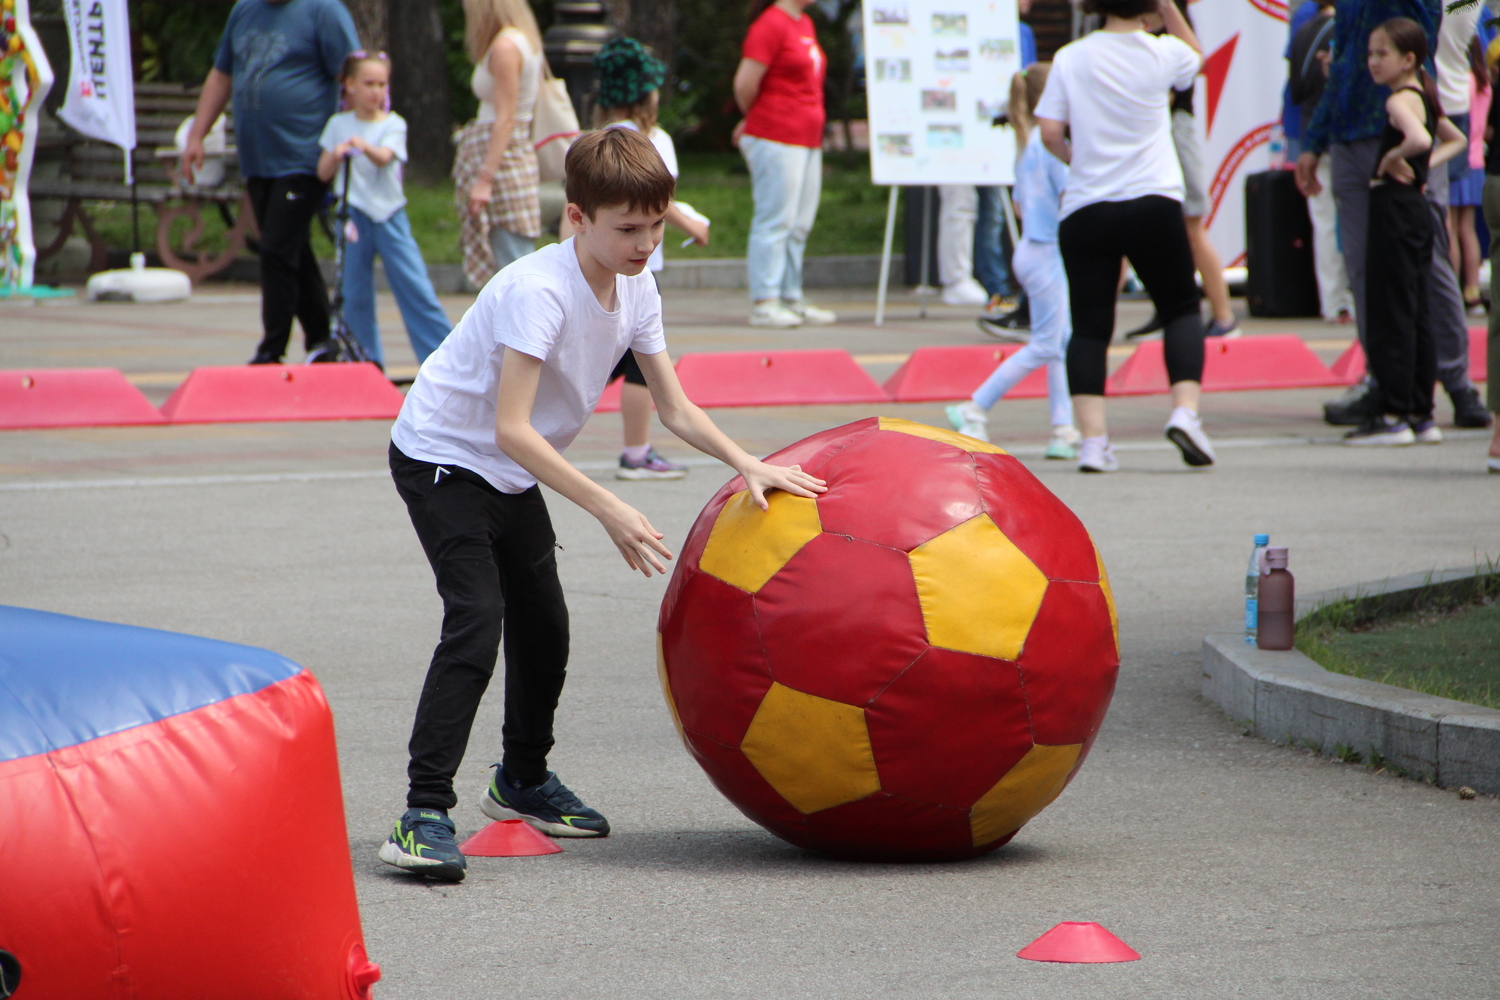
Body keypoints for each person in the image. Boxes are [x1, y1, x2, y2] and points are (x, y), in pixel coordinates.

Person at [377, 128, 825, 881]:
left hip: (509, 469)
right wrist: (607, 507)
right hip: (444, 459)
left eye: (656, 224)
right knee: (478, 620)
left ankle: (519, 780)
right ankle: (422, 813)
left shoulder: (639, 284)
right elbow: (510, 428)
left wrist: (750, 463)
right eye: (628, 228)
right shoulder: (538, 292)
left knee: (546, 626)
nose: (646, 242)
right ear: (579, 218)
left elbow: (674, 408)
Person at [1035, 0, 1214, 473]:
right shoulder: (1160, 52)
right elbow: (1197, 57)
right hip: (1153, 199)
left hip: (1088, 204)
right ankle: (1185, 413)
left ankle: (1094, 442)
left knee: (1091, 324)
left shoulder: (1072, 56)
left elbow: (1050, 129)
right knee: (1178, 307)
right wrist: (1167, 7)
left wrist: (1076, 159)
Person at [1296, 0, 1491, 431]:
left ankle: (1454, 380)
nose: (1374, 60)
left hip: (1400, 125)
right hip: (1349, 132)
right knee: (1366, 270)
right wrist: (1313, 140)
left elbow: (1423, 29)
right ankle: (1386, 383)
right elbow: (1345, 57)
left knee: (1430, 264)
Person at [181, 0, 360, 365]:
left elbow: (354, 76)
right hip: (258, 158)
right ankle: (323, 341)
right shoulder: (244, 10)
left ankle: (272, 348)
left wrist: (357, 135)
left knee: (277, 247)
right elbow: (221, 75)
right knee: (292, 247)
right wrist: (196, 135)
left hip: (305, 156)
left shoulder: (323, 11)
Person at [588, 36, 711, 479]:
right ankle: (636, 453)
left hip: (595, 271)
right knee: (642, 366)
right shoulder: (650, 139)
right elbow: (656, 201)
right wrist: (692, 225)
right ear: (647, 93)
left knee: (603, 361)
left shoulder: (595, 140)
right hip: (636, 276)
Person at [947, 64, 1080, 460]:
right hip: (1046, 252)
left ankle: (1063, 429)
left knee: (1057, 343)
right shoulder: (1052, 148)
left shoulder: (1028, 143)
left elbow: (1022, 206)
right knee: (1046, 344)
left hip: (1032, 249)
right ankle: (974, 405)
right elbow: (1074, 195)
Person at [1348, 18, 1467, 445]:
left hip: (1394, 208)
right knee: (1416, 310)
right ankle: (1421, 412)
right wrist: (1423, 167)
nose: (1373, 62)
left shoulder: (1400, 100)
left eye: (1382, 54)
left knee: (1392, 309)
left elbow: (1419, 138)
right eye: (1370, 54)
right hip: (1415, 206)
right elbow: (1454, 140)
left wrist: (1393, 159)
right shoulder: (1426, 95)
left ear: (1409, 59)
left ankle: (1394, 412)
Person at [317, 52, 453, 368]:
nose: (376, 91)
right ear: (350, 86)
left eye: (382, 84)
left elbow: (385, 157)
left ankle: (443, 360)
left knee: (414, 287)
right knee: (354, 294)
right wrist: (336, 154)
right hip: (352, 214)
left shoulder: (393, 124)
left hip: (389, 214)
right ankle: (365, 361)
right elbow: (322, 173)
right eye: (369, 84)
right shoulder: (338, 124)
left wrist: (363, 146)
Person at [1124, 0, 1238, 342]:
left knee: (1191, 227)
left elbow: (1195, 60)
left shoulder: (1175, 36)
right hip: (1156, 138)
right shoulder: (1146, 35)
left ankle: (1224, 316)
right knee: (1158, 232)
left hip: (1174, 132)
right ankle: (1168, 310)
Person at [732, 0, 838, 328]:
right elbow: (744, 85)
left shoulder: (803, 22)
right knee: (775, 220)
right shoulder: (770, 24)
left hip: (807, 138)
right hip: (776, 136)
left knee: (799, 223)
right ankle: (764, 302)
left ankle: (791, 297)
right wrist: (757, 119)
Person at [455, 0, 545, 289]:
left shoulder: (506, 46)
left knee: (512, 268)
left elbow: (505, 120)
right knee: (511, 264)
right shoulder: (521, 38)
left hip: (504, 166)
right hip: (509, 160)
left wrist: (484, 179)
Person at [1288, 0, 1355, 323]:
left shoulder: (1301, 33)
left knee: (1324, 222)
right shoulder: (1347, 29)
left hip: (1309, 131)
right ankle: (1351, 299)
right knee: (1352, 218)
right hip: (1344, 134)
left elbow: (1295, 90)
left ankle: (1332, 302)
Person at [1443, 35, 1489, 314]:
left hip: (1455, 158)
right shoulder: (1484, 85)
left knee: (1448, 228)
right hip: (1477, 161)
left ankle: (1450, 291)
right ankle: (1472, 290)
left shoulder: (1459, 83)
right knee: (1468, 230)